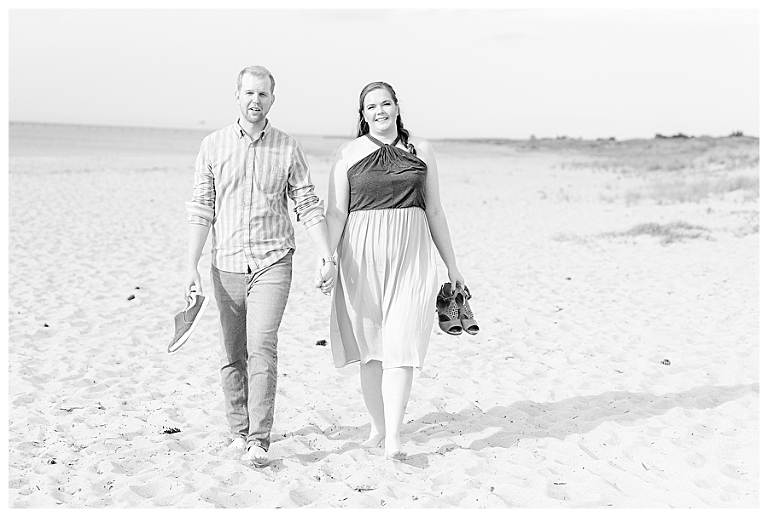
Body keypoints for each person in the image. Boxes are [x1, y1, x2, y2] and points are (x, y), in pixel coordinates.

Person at [184, 65, 336, 466]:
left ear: (272, 99)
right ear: (237, 95)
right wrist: (190, 267)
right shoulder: (213, 146)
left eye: (263, 95)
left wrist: (326, 254)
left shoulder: (287, 147)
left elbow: (306, 203)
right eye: (249, 93)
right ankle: (238, 430)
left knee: (262, 346)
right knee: (232, 350)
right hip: (226, 264)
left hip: (273, 261)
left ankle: (258, 438)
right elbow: (202, 209)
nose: (256, 101)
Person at [320, 81, 465, 460]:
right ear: (363, 114)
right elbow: (336, 212)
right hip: (360, 260)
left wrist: (452, 266)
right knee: (372, 352)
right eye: (371, 107)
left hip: (412, 259)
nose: (380, 111)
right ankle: (378, 429)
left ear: (397, 107)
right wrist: (327, 258)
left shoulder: (422, 149)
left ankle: (395, 437)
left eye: (386, 104)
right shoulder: (348, 152)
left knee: (401, 349)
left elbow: (435, 210)